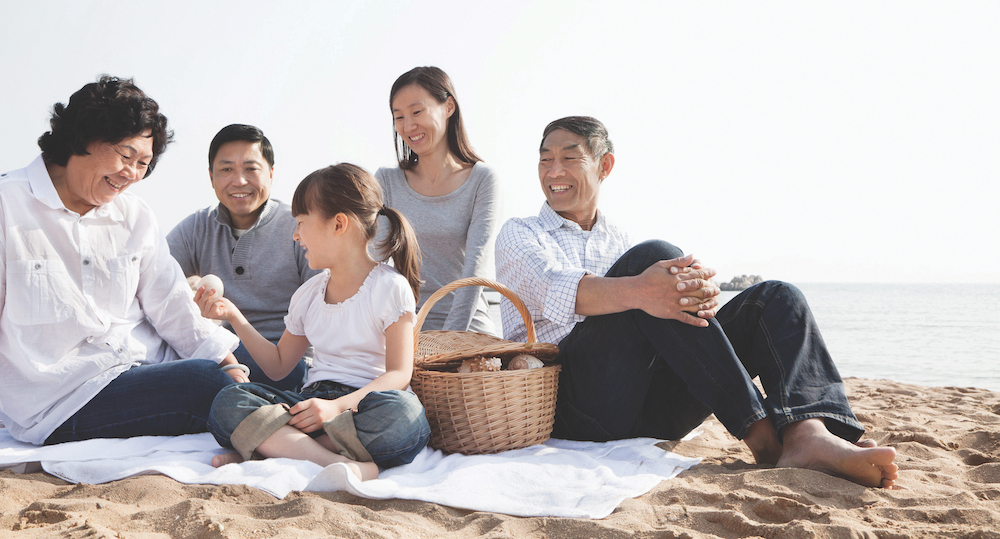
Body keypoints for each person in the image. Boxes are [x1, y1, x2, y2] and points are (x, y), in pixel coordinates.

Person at [495, 116, 899, 489]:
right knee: (655, 257)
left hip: (649, 407)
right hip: (571, 403)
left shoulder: (617, 238)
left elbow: (663, 315)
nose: (553, 172)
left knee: (776, 297)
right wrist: (647, 288)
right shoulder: (521, 234)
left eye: (569, 158)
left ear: (605, 166)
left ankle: (809, 434)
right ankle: (764, 439)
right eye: (545, 160)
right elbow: (558, 291)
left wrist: (695, 296)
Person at [0, 76, 245, 446]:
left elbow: (171, 302)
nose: (131, 173)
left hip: (145, 368)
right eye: (125, 155)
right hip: (64, 398)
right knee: (204, 382)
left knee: (249, 370)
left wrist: (227, 361)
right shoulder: (9, 204)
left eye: (143, 163)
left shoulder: (134, 215)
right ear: (82, 138)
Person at [198, 163, 430, 480]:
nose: (295, 235)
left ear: (338, 224)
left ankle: (276, 449)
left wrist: (336, 409)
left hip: (365, 404)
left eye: (301, 223)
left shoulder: (390, 287)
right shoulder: (308, 294)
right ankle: (332, 461)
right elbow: (279, 365)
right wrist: (233, 317)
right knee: (228, 401)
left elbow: (400, 375)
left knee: (406, 416)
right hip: (311, 402)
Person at [168, 124, 319, 391]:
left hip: (290, 362)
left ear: (271, 174)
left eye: (251, 169)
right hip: (225, 354)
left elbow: (326, 308)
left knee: (204, 372)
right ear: (211, 176)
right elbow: (154, 277)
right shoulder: (196, 228)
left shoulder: (298, 226)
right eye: (226, 169)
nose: (239, 181)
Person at [376, 66, 500, 334]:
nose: (408, 126)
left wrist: (446, 344)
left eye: (417, 112)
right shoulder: (387, 181)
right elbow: (374, 261)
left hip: (467, 330)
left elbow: (474, 270)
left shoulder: (482, 180)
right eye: (399, 117)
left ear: (449, 107)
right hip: (404, 329)